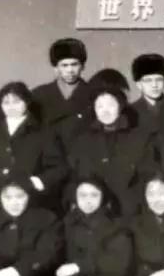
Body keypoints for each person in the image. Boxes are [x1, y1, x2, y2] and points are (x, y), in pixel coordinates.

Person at [0, 82, 67, 212]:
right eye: (6, 103)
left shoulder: (44, 133)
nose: (11, 107)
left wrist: (36, 182)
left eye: (16, 102)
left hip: (27, 199)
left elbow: (58, 168)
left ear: (27, 102)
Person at [66, 86, 156, 217]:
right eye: (100, 106)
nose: (105, 111)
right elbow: (73, 176)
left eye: (110, 105)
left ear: (120, 107)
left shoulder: (140, 138)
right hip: (92, 212)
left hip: (129, 211)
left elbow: (148, 175)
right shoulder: (83, 140)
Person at [31, 37, 92, 152]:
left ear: (83, 66)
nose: (70, 70)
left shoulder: (94, 94)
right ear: (56, 68)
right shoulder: (39, 95)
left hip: (84, 156)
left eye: (74, 64)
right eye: (64, 65)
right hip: (48, 157)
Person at [127, 54, 164, 136]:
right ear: (138, 84)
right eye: (148, 80)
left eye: (159, 79)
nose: (154, 85)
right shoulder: (128, 113)